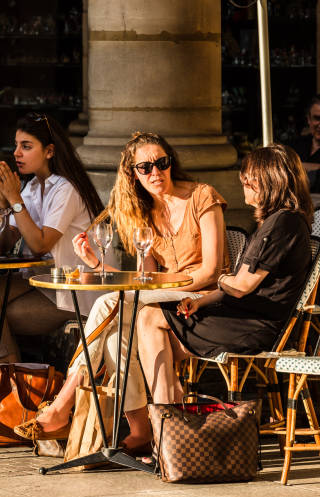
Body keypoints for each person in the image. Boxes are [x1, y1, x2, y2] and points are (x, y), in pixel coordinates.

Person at [14, 132, 229, 453]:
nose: (155, 172)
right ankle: (142, 430)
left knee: (107, 302)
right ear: (132, 174)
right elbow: (144, 280)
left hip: (202, 302)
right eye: (145, 167)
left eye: (162, 163)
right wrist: (96, 264)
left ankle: (61, 404)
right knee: (115, 339)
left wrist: (166, 284)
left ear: (172, 163)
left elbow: (211, 271)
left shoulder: (202, 196)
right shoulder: (145, 213)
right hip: (161, 301)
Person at [136, 144, 313, 404]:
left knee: (149, 319)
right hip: (246, 316)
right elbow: (238, 285)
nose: (243, 184)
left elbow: (241, 286)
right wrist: (201, 301)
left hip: (256, 325)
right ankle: (170, 415)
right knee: (148, 343)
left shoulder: (282, 223)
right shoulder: (280, 221)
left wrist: (216, 277)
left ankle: (166, 414)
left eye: (248, 179)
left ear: (267, 181)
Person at [0, 112, 106, 362]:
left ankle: (11, 384)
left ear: (49, 151)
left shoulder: (66, 188)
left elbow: (39, 243)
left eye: (26, 146)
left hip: (74, 290)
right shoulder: (33, 187)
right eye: (16, 145)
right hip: (43, 283)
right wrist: (4, 206)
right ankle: (12, 384)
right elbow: (6, 241)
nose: (17, 153)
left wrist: (15, 201)